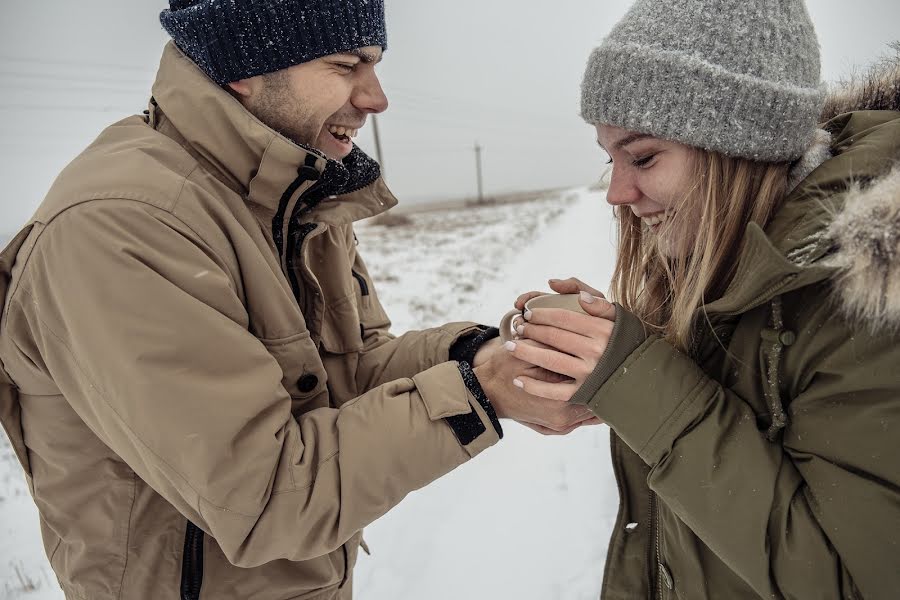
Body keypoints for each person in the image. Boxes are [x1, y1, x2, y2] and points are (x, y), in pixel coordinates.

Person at [0, 1, 595, 599]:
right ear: (243, 65)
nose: (376, 97)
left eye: (375, 64)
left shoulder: (292, 197)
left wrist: (488, 353)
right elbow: (264, 497)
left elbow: (348, 374)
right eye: (345, 65)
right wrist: (480, 391)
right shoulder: (124, 227)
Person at [506, 0, 900, 598]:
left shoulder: (866, 303)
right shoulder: (722, 259)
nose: (616, 192)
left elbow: (850, 580)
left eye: (641, 157)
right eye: (609, 159)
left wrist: (640, 381)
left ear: (738, 144)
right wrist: (612, 357)